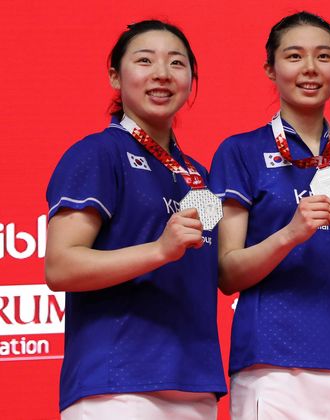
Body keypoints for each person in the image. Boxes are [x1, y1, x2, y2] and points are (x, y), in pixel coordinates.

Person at [44, 20, 227, 419]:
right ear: (115, 75)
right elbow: (60, 266)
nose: (162, 73)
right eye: (145, 61)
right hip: (117, 386)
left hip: (196, 387)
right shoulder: (97, 154)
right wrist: (160, 250)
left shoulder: (199, 175)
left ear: (191, 78)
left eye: (176, 63)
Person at [209, 11, 330, 419]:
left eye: (323, 56)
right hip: (272, 365)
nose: (309, 69)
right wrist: (291, 233)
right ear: (270, 68)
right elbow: (227, 273)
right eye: (294, 56)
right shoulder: (239, 152)